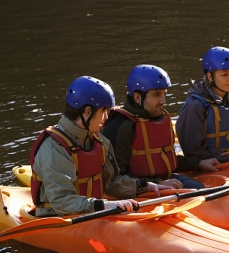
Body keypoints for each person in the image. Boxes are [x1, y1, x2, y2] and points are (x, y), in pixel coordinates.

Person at [30, 76, 170, 217]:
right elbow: (61, 201)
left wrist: (144, 185)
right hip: (56, 217)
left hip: (91, 212)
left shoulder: (99, 140)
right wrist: (101, 205)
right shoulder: (54, 148)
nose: (106, 117)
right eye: (104, 111)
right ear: (87, 112)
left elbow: (111, 182)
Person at [102, 64, 220, 190]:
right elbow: (116, 178)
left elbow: (166, 160)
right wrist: (153, 184)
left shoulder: (157, 117)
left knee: (202, 190)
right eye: (156, 95)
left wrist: (198, 163)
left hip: (163, 179)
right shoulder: (120, 127)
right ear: (137, 98)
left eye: (164, 94)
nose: (163, 101)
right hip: (140, 188)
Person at [176, 46, 229, 163]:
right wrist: (228, 157)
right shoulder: (195, 106)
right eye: (224, 75)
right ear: (210, 76)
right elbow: (193, 152)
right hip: (210, 165)